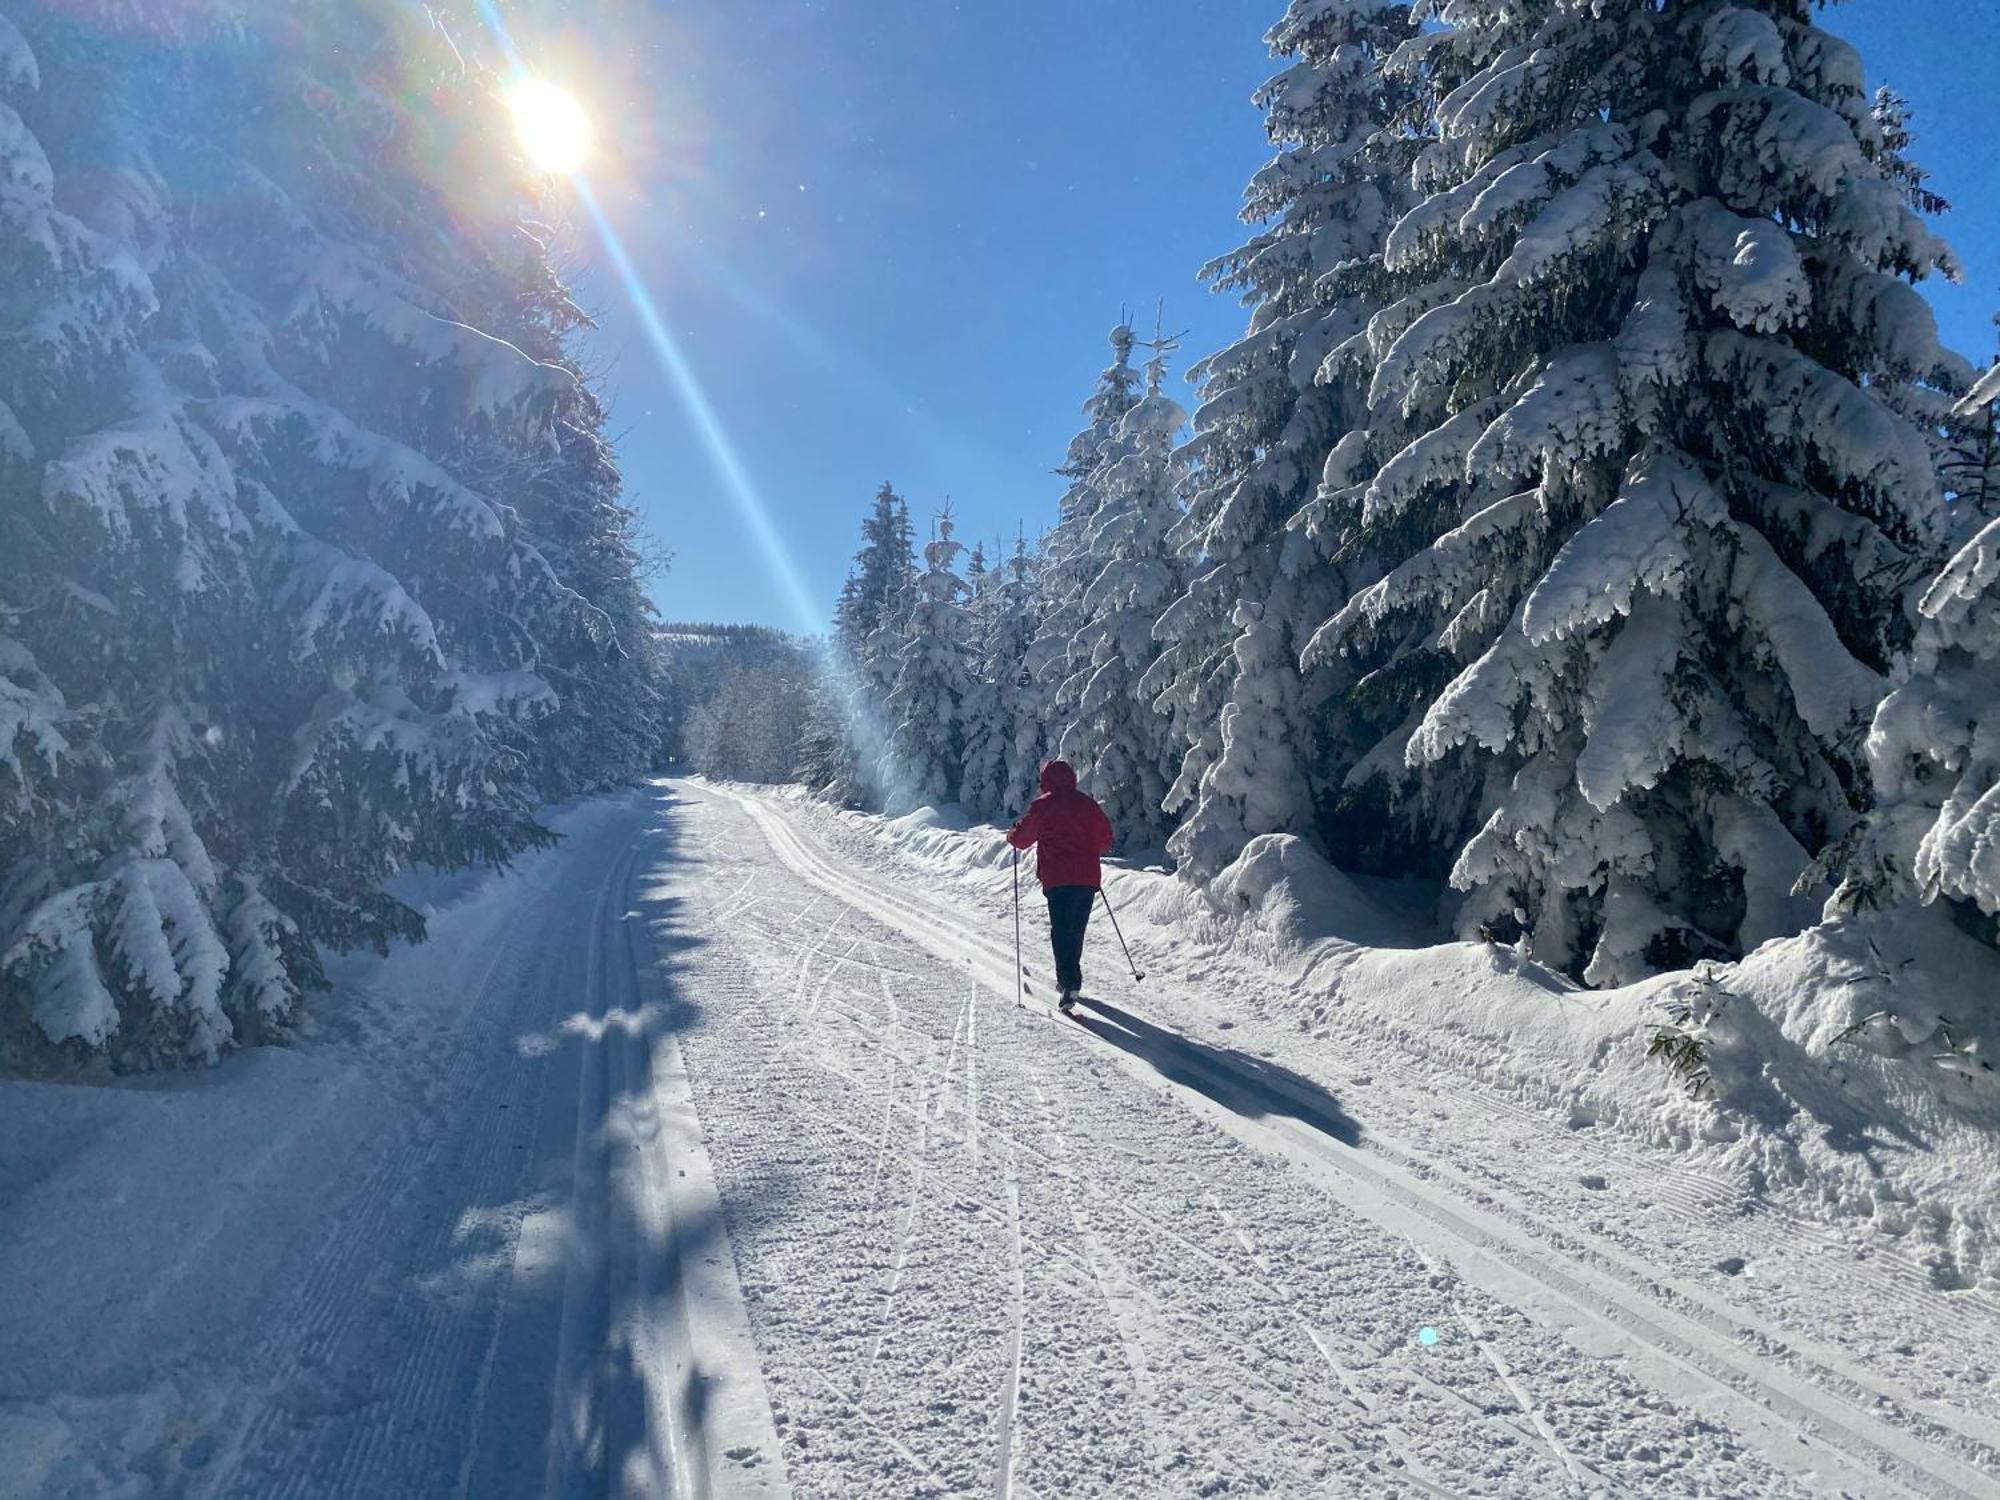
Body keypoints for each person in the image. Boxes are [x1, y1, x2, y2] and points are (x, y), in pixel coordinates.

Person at [1006, 759, 1115, 1011]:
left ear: (1046, 780)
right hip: (1087, 878)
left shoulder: (1043, 805)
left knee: (1061, 929)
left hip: (1057, 878)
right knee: (1075, 929)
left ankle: (1068, 983)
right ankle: (1070, 980)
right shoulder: (1086, 803)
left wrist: (1012, 834)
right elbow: (1105, 838)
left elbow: (1022, 839)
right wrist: (1086, 849)